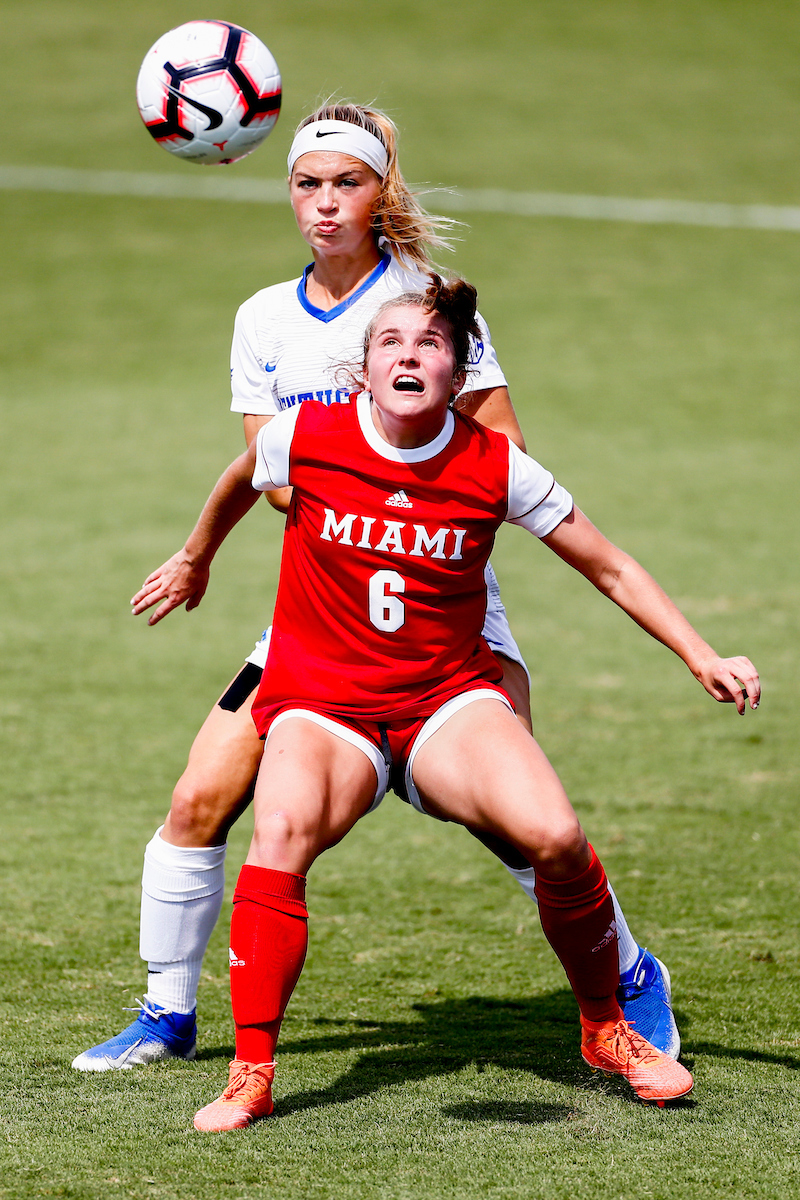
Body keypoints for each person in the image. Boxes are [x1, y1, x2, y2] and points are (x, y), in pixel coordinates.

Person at [73, 103, 677, 1073]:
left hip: (445, 615)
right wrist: (243, 526)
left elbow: (503, 450)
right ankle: (166, 1014)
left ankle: (626, 974)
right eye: (304, 184)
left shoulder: (426, 309)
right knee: (198, 798)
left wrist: (391, 472)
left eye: (342, 184)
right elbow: (271, 476)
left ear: (378, 192)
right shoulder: (262, 318)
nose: (322, 204)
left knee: (511, 823)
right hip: (318, 622)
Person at [127, 276, 759, 1129]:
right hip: (323, 704)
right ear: (365, 370)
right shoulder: (305, 434)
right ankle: (251, 1070)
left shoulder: (496, 466)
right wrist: (197, 556)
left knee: (556, 836)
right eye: (391, 343)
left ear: (459, 376)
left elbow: (607, 563)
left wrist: (700, 653)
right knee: (275, 834)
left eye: (430, 346)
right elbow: (240, 479)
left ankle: (607, 1027)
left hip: (442, 700)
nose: (409, 356)